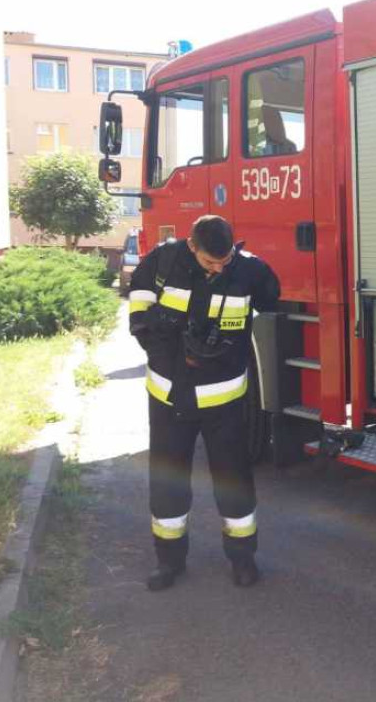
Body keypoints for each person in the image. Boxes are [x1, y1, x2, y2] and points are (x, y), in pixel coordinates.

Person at [128, 215, 280, 591]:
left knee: (234, 482)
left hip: (225, 400)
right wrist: (179, 346)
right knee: (168, 482)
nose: (218, 268)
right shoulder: (161, 264)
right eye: (210, 262)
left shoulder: (249, 269)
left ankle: (243, 560)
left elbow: (270, 300)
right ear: (192, 246)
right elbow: (138, 323)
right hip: (170, 396)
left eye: (224, 261)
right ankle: (169, 562)